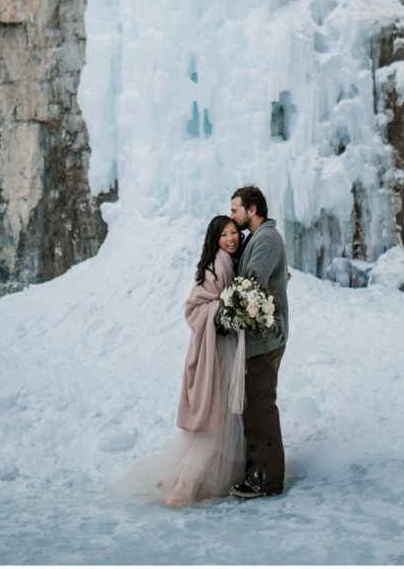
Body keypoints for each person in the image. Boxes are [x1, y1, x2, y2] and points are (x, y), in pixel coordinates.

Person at [115, 216, 245, 506]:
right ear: (215, 239)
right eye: (224, 234)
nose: (230, 239)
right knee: (216, 413)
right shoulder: (217, 264)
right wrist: (226, 309)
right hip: (218, 350)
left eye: (234, 232)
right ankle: (184, 483)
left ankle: (204, 478)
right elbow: (194, 307)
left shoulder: (229, 262)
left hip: (225, 346)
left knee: (223, 413)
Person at [227, 185, 289, 498]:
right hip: (260, 338)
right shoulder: (259, 237)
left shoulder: (266, 238)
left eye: (235, 208)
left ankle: (265, 480)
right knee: (255, 405)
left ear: (252, 210)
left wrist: (224, 313)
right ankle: (256, 470)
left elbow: (251, 284)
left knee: (261, 407)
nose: (232, 214)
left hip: (264, 340)